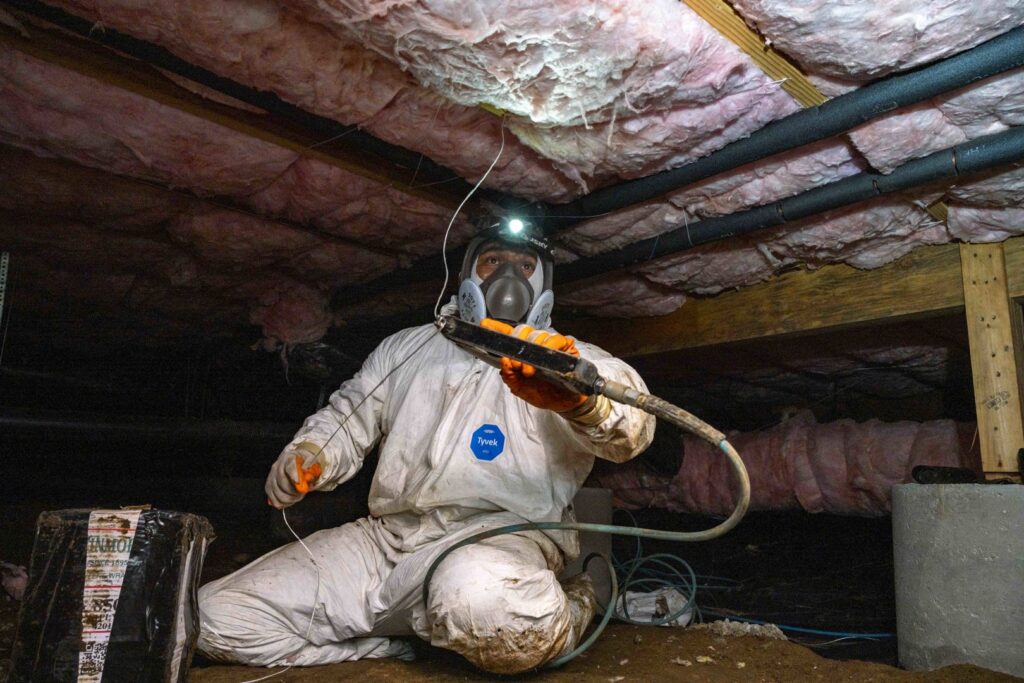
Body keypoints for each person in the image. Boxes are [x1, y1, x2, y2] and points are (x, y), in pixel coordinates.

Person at [196, 222, 656, 673]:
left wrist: (582, 404)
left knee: (491, 610)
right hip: (385, 543)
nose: (507, 278)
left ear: (545, 285)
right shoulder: (407, 349)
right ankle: (384, 644)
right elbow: (348, 416)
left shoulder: (571, 361)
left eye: (525, 265)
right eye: (493, 261)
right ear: (466, 278)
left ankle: (574, 604)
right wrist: (311, 454)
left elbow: (635, 428)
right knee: (214, 617)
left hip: (495, 542)